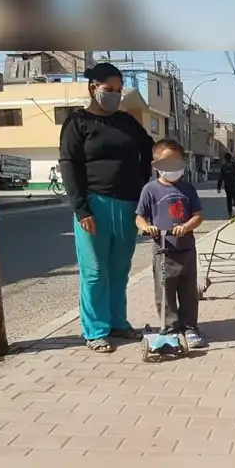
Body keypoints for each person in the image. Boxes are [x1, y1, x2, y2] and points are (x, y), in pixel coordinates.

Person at [58, 62, 154, 353]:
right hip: (94, 205)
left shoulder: (127, 122)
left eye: (119, 91)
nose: (114, 95)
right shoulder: (77, 122)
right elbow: (69, 166)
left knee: (119, 268)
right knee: (95, 271)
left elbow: (149, 150)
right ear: (93, 88)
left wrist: (143, 185)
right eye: (108, 90)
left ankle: (117, 323)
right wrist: (81, 209)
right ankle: (95, 330)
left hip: (127, 205)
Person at [136, 139, 207, 348]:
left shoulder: (188, 189)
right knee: (165, 291)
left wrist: (186, 226)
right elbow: (139, 216)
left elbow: (198, 215)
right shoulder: (150, 190)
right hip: (163, 251)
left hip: (186, 249)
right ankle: (171, 328)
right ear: (155, 165)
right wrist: (146, 227)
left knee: (188, 292)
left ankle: (190, 327)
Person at [216, 152, 235, 217]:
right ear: (231, 158)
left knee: (229, 199)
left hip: (227, 186)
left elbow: (220, 178)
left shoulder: (224, 167)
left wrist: (218, 187)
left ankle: (230, 213)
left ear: (225, 159)